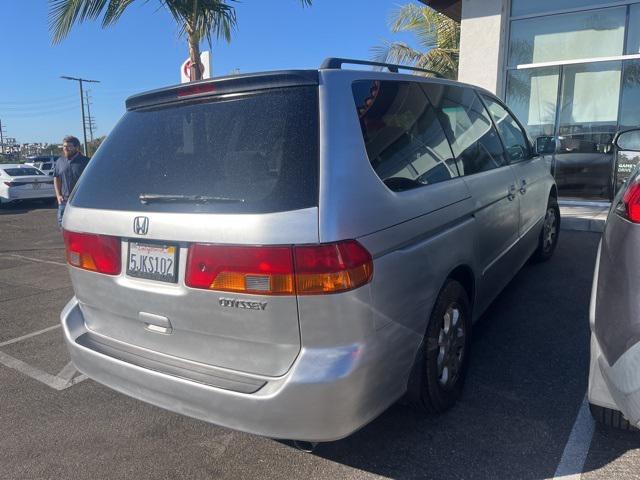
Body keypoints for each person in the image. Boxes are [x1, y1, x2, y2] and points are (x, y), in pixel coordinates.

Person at [53, 136, 90, 228]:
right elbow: (56, 178)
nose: (65, 148)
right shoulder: (59, 161)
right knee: (63, 226)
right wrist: (58, 195)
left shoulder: (86, 162)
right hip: (64, 202)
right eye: (64, 146)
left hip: (81, 202)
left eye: (69, 146)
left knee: (82, 227)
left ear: (77, 147)